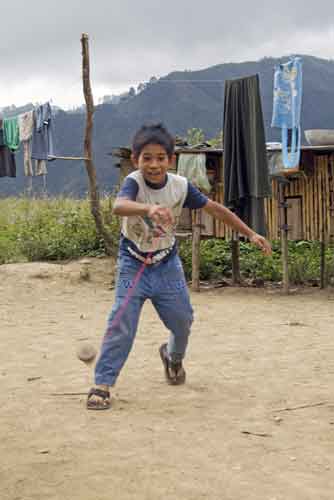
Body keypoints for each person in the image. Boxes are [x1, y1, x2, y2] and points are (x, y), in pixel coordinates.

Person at [87, 123, 272, 410]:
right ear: (136, 160)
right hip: (133, 264)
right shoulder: (134, 182)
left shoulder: (180, 186)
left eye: (160, 157)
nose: (153, 164)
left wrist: (250, 233)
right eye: (146, 158)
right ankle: (102, 384)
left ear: (170, 160)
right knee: (120, 321)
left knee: (182, 321)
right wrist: (147, 209)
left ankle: (172, 357)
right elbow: (119, 205)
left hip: (166, 265)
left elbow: (215, 209)